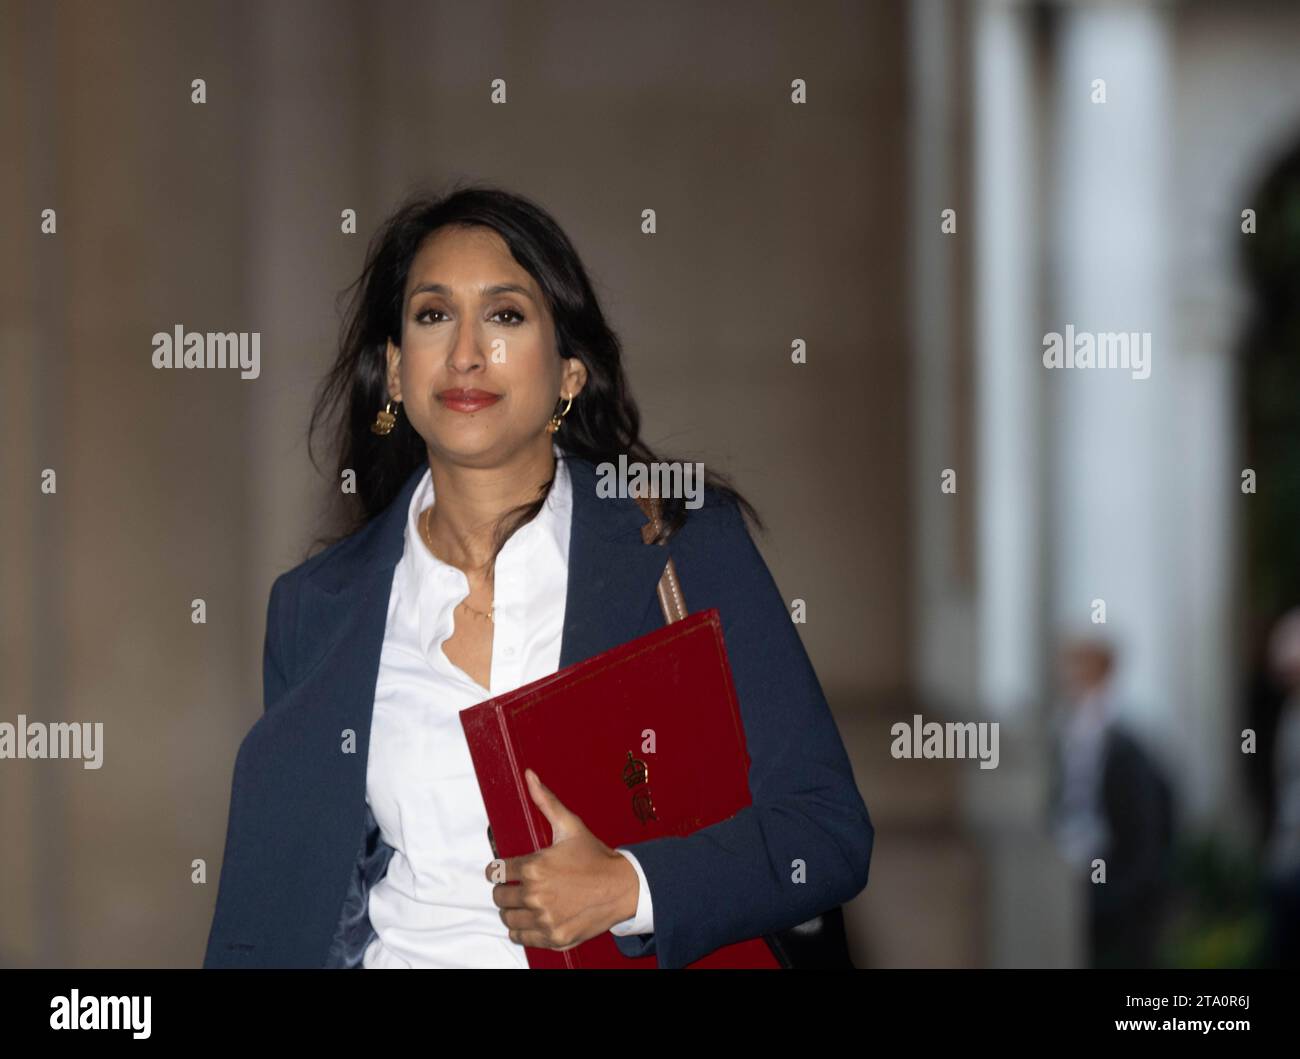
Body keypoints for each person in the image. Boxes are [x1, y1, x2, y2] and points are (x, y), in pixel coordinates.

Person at [202, 183, 875, 969]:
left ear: (568, 375)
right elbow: (292, 895)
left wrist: (628, 887)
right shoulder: (316, 606)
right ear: (393, 369)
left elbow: (825, 830)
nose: (464, 352)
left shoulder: (678, 544)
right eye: (432, 314)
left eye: (505, 315)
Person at [1048, 637, 1175, 968]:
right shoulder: (1067, 732)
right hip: (1076, 867)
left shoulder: (1124, 744)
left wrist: (1128, 888)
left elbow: (1144, 827)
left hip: (1113, 880)